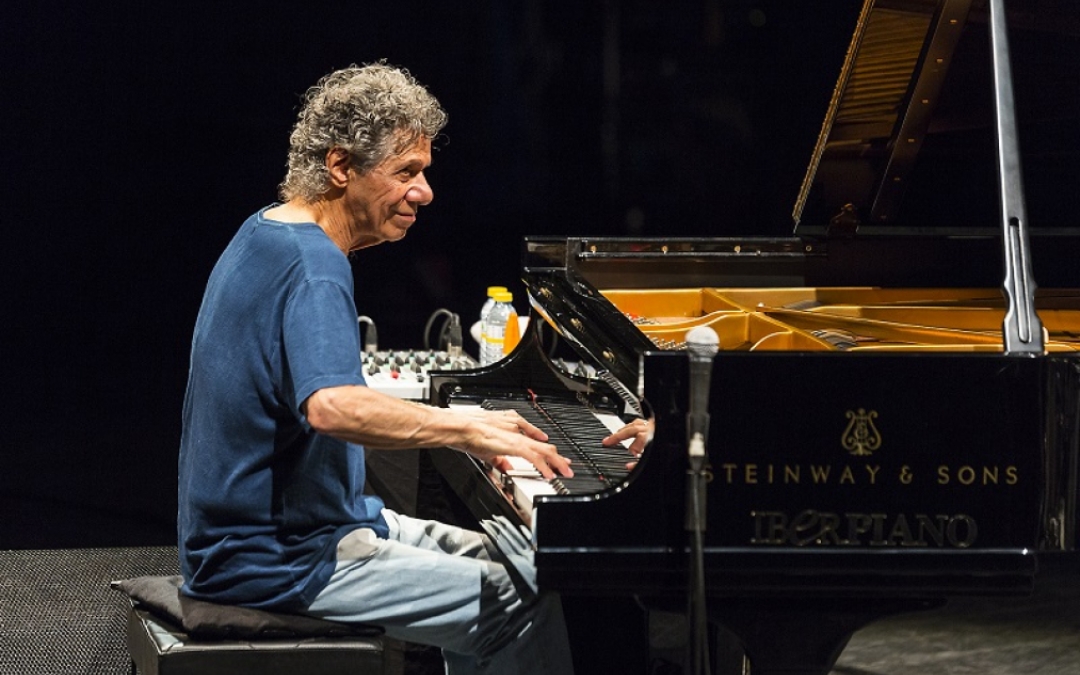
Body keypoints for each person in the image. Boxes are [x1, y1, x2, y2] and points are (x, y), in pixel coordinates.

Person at [177, 62, 647, 675]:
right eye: (406, 172)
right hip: (272, 558)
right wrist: (469, 429)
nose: (424, 192)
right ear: (341, 167)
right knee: (521, 602)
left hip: (312, 527)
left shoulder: (265, 230)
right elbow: (331, 407)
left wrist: (468, 427)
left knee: (520, 561)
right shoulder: (315, 268)